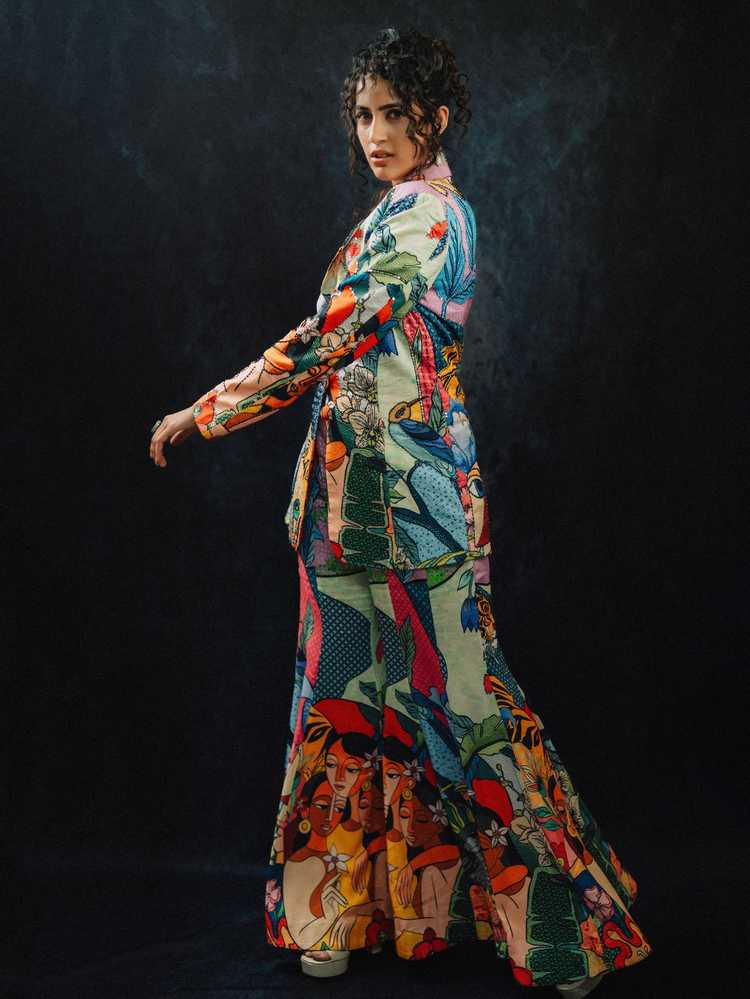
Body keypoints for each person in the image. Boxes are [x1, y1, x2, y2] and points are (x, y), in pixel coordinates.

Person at [148, 26, 652, 996]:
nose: (375, 133)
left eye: (394, 114)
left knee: (469, 712)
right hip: (343, 510)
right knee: (341, 716)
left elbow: (327, 337)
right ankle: (341, 913)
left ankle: (564, 930)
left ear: (438, 118)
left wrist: (206, 412)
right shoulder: (386, 214)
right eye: (364, 115)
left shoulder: (431, 217)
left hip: (421, 509)